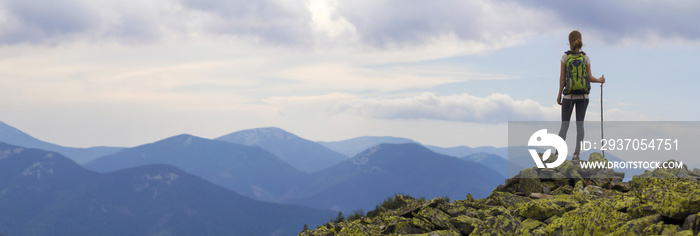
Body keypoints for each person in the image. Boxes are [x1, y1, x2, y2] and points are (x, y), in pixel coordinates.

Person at [556, 30, 605, 163]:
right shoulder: (585, 57)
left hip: (569, 96)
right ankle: (577, 154)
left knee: (564, 125)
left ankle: (557, 153)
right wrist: (600, 80)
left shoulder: (565, 56)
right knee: (580, 125)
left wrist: (559, 93)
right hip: (583, 97)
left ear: (569, 41)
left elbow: (562, 78)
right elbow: (590, 78)